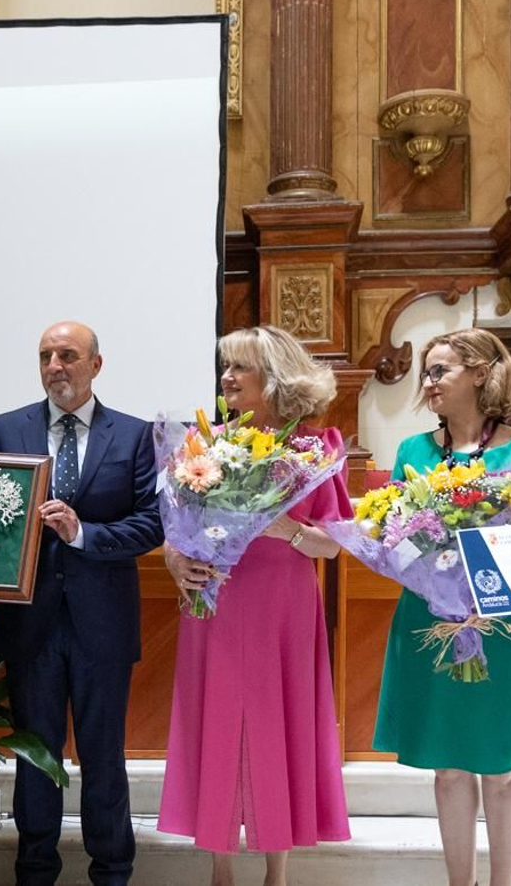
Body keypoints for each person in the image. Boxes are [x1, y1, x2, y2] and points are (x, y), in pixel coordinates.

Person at [372, 328, 511, 886]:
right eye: (426, 375)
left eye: (440, 371)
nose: (429, 383)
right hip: (432, 617)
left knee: (504, 768)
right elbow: (395, 538)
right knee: (449, 766)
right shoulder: (413, 451)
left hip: (506, 624)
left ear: (482, 373)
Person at [157, 325, 352, 886]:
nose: (227, 377)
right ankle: (220, 866)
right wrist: (174, 560)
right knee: (214, 717)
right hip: (214, 595)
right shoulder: (204, 444)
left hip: (282, 603)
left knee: (279, 720)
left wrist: (286, 528)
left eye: (239, 367)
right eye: (225, 368)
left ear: (275, 378)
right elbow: (174, 527)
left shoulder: (317, 447)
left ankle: (277, 871)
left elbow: (333, 545)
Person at [0, 321, 161, 886]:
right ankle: (35, 872)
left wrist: (84, 534)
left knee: (103, 758)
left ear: (95, 365)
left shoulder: (135, 435)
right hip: (27, 620)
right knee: (36, 759)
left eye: (67, 355)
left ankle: (111, 871)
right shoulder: (7, 429)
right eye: (45, 356)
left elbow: (151, 525)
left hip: (102, 623)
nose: (55, 365)